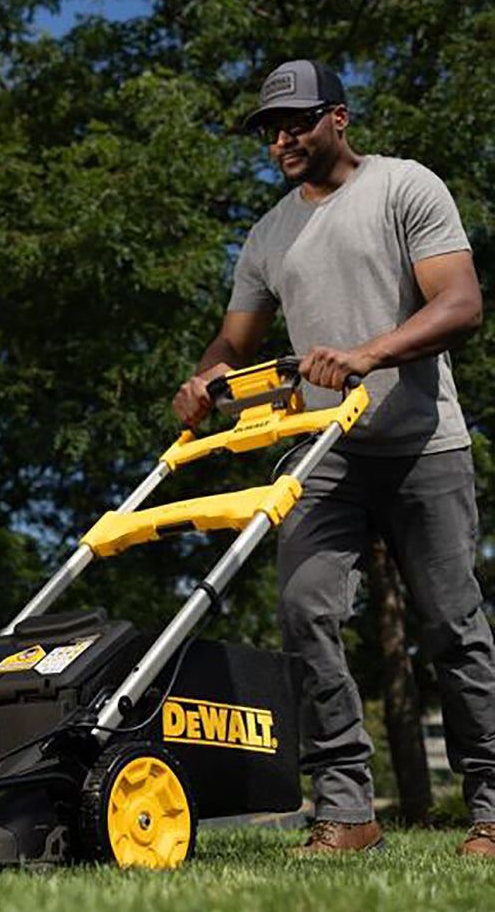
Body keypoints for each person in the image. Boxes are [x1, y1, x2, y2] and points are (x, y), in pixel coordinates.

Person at [172, 59, 495, 857]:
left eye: (296, 123)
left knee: (454, 627)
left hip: (424, 444)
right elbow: (236, 338)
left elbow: (462, 304)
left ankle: (491, 807)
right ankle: (348, 810)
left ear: (338, 119)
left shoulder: (405, 187)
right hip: (324, 452)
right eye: (269, 129)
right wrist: (207, 375)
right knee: (306, 610)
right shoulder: (269, 233)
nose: (280, 138)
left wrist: (369, 352)